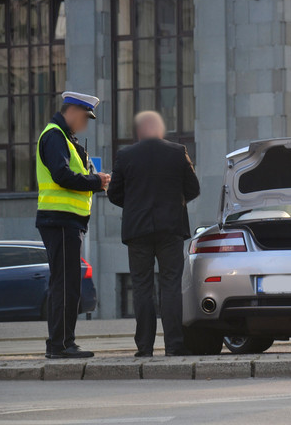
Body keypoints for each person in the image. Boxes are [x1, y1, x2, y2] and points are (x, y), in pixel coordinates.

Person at [108, 111, 200, 357]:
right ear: (160, 130)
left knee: (141, 287)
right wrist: (173, 202)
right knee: (170, 286)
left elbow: (113, 193)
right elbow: (193, 188)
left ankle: (145, 348)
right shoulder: (177, 152)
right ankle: (174, 346)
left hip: (137, 231)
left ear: (138, 132)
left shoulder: (125, 155)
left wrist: (134, 204)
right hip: (170, 229)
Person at [36, 91, 111, 359]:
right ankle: (60, 345)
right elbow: (61, 175)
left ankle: (63, 342)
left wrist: (93, 178)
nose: (85, 125)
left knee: (66, 283)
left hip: (65, 221)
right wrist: (95, 182)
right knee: (66, 284)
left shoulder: (63, 137)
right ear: (74, 113)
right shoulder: (55, 135)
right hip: (60, 219)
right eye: (85, 119)